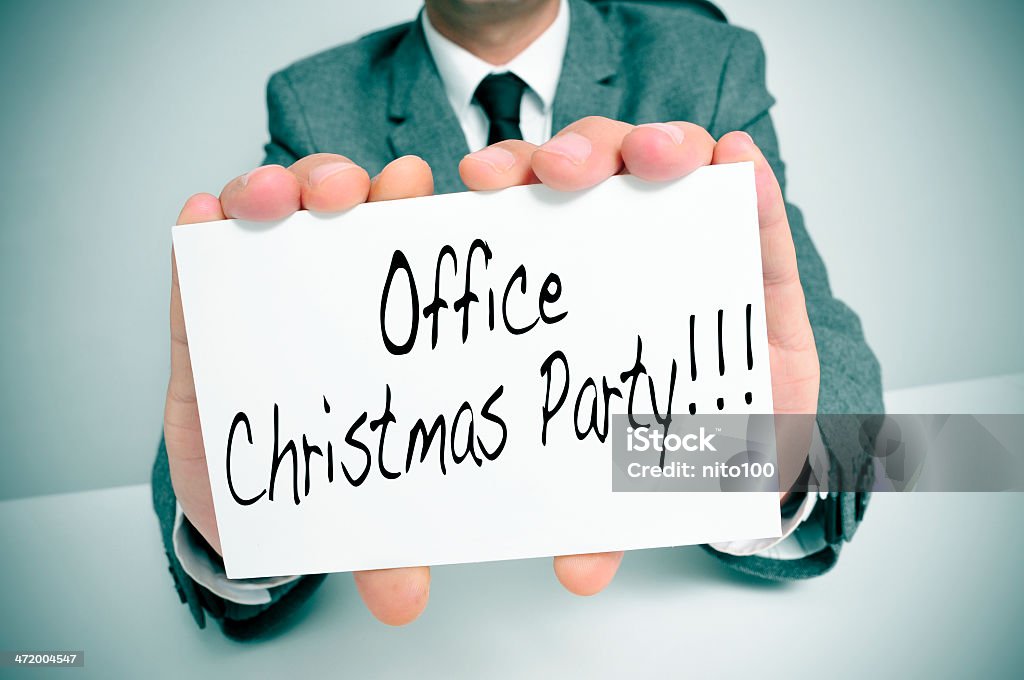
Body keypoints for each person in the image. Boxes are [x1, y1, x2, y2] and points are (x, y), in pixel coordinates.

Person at [153, 0, 882, 638]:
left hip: (669, 617)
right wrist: (241, 528)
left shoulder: (707, 60)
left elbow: (838, 380)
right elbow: (248, 388)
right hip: (425, 633)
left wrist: (759, 462)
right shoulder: (315, 98)